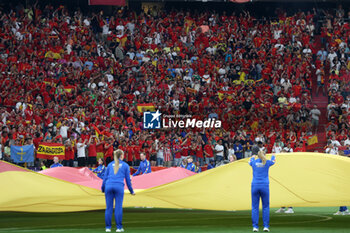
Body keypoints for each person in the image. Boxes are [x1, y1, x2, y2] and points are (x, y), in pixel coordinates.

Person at [102, 149, 135, 232]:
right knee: (118, 207)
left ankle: (108, 228)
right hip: (119, 186)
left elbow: (105, 178)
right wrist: (131, 191)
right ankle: (119, 227)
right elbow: (128, 180)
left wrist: (103, 189)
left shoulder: (109, 165)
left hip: (108, 186)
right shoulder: (125, 165)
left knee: (108, 208)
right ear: (121, 156)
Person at [249, 151, 276, 232]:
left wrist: (253, 157)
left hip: (255, 186)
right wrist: (273, 156)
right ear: (264, 155)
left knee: (254, 207)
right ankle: (266, 226)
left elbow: (249, 161)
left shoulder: (253, 162)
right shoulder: (267, 162)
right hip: (264, 186)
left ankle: (255, 227)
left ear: (257, 156)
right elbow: (273, 161)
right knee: (266, 207)